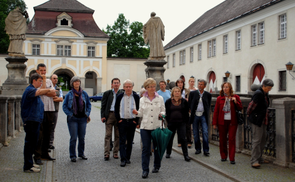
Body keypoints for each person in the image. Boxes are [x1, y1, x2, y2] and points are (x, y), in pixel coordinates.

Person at [21, 73, 55, 173]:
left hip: (35, 121)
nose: (41, 83)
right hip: (31, 121)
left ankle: (30, 163)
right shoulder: (30, 90)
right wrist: (49, 90)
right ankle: (27, 166)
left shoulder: (33, 90)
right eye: (40, 81)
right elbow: (40, 91)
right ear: (34, 81)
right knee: (29, 144)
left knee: (32, 144)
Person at [132, 78, 165, 179]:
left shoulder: (160, 99)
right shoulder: (142, 99)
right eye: (150, 87)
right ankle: (145, 170)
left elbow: (164, 110)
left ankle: (156, 166)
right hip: (145, 126)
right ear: (146, 88)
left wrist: (162, 114)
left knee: (157, 148)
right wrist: (136, 113)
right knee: (146, 149)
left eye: (153, 86)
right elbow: (141, 112)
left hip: (157, 126)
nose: (152, 88)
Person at [212, 82, 243, 164]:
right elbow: (216, 111)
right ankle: (223, 156)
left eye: (227, 87)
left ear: (230, 88)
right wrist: (214, 123)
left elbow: (240, 108)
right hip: (222, 121)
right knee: (222, 139)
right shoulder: (220, 98)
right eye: (224, 87)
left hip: (232, 121)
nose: (225, 88)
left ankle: (232, 158)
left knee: (232, 139)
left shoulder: (235, 97)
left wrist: (236, 102)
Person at [63, 76, 91, 162]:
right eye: (75, 82)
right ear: (72, 83)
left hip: (82, 119)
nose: (77, 83)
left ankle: (81, 153)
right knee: (74, 137)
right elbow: (64, 106)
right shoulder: (69, 94)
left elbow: (89, 105)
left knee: (82, 137)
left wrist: (87, 114)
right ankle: (72, 155)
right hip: (73, 119)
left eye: (78, 81)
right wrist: (70, 114)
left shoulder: (84, 94)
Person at [247, 79, 274, 169]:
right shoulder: (259, 93)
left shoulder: (265, 94)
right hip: (257, 120)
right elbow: (251, 105)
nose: (269, 89)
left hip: (263, 120)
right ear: (263, 86)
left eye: (270, 88)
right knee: (257, 140)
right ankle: (254, 160)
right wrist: (249, 115)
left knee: (263, 140)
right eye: (268, 88)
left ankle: (259, 158)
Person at [34, 63, 56, 165]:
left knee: (48, 132)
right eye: (41, 70)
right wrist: (45, 89)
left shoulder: (49, 81)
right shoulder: (35, 81)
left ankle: (45, 153)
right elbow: (40, 91)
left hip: (50, 109)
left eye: (44, 70)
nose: (43, 72)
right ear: (37, 71)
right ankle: (37, 155)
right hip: (40, 110)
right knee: (39, 134)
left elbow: (53, 93)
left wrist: (44, 91)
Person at [114, 79, 140, 167]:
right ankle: (123, 159)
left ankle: (128, 158)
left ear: (132, 87)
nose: (128, 88)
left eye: (130, 86)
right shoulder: (120, 96)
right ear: (123, 87)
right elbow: (116, 109)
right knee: (122, 141)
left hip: (132, 121)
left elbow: (139, 109)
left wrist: (136, 121)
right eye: (126, 87)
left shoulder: (136, 97)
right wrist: (118, 119)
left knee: (130, 141)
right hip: (122, 121)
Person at [165, 87, 190, 162]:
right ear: (172, 93)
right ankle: (168, 152)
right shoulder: (168, 101)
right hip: (171, 122)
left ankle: (186, 155)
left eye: (178, 91)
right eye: (175, 91)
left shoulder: (184, 101)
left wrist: (186, 122)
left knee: (183, 138)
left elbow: (186, 112)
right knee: (170, 138)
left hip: (181, 122)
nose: (177, 93)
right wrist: (168, 121)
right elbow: (166, 112)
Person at [101, 78, 123, 161]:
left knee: (118, 135)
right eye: (114, 83)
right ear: (112, 84)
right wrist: (103, 116)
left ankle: (115, 153)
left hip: (118, 115)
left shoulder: (122, 93)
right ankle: (106, 153)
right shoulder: (107, 93)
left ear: (120, 84)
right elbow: (103, 105)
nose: (116, 84)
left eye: (117, 83)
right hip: (109, 114)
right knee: (108, 135)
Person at [188, 79, 212, 156]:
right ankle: (198, 149)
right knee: (195, 133)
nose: (199, 85)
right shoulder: (193, 93)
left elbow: (208, 105)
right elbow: (189, 104)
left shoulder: (208, 95)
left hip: (203, 115)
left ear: (205, 86)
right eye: (199, 84)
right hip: (195, 115)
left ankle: (206, 150)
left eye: (201, 84)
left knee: (205, 132)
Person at [49, 74, 63, 150]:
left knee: (53, 127)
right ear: (50, 79)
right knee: (47, 127)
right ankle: (46, 143)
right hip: (47, 110)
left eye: (57, 78)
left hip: (55, 110)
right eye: (54, 78)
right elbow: (46, 98)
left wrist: (52, 98)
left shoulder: (59, 88)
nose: (56, 79)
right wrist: (55, 98)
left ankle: (50, 143)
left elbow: (61, 99)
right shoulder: (47, 88)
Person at [175, 78, 191, 147]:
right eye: (178, 83)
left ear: (183, 84)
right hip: (178, 111)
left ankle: (189, 141)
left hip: (186, 110)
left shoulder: (187, 91)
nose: (180, 84)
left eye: (181, 83)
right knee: (179, 127)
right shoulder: (175, 91)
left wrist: (188, 101)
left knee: (188, 127)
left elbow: (191, 100)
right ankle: (180, 141)